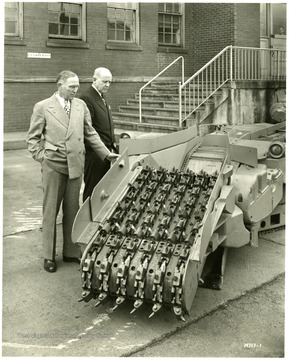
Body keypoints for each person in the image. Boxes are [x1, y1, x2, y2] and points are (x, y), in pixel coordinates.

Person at [26, 70, 119, 273]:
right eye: (71, 87)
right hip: (54, 166)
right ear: (60, 85)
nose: (76, 91)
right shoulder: (43, 107)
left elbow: (90, 132)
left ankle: (70, 252)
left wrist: (105, 153)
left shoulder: (80, 105)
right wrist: (43, 158)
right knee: (51, 212)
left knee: (72, 210)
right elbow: (32, 139)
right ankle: (48, 256)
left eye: (77, 87)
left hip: (75, 164)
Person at [79, 67, 117, 201]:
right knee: (92, 188)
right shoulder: (87, 97)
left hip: (106, 151)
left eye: (110, 82)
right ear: (94, 80)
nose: (107, 85)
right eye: (105, 81)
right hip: (95, 153)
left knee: (102, 187)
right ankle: (86, 217)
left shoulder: (101, 95)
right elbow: (87, 128)